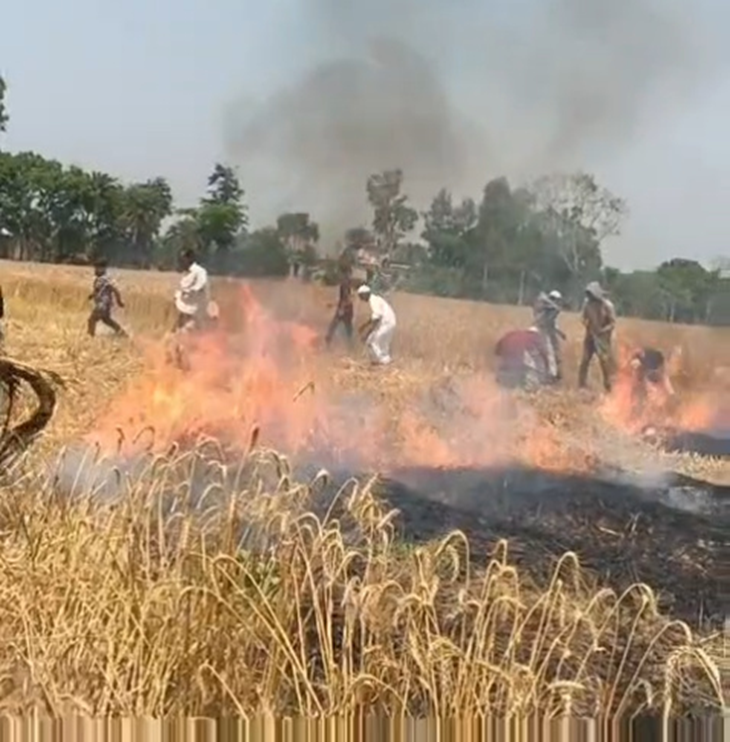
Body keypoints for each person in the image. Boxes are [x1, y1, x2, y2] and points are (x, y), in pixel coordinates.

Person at [578, 281, 616, 392]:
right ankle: (581, 384)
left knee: (604, 362)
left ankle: (608, 385)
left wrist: (602, 331)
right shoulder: (587, 304)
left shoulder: (607, 305)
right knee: (585, 360)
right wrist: (586, 324)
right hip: (590, 336)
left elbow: (612, 323)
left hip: (602, 339)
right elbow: (583, 318)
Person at [629, 346, 676, 419]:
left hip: (653, 374)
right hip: (649, 376)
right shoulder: (640, 360)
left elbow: (663, 371)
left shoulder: (652, 357)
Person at [356, 284, 396, 365]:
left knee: (373, 341)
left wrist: (367, 333)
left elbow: (376, 319)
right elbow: (374, 317)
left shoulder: (373, 301)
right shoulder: (375, 299)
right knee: (382, 344)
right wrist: (364, 326)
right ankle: (382, 360)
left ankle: (383, 361)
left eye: (361, 296)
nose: (361, 299)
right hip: (390, 322)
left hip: (386, 324)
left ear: (365, 294)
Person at [174, 248, 211, 333]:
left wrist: (188, 291)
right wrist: (178, 294)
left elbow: (200, 285)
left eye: (183, 259)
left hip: (195, 308)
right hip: (184, 308)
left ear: (189, 259)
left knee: (188, 331)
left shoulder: (199, 271)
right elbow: (182, 287)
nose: (181, 262)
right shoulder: (185, 273)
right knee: (179, 330)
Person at [87, 259, 127, 337]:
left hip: (102, 304)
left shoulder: (104, 278)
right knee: (106, 320)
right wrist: (92, 295)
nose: (95, 270)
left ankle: (90, 336)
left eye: (97, 268)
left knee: (92, 320)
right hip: (105, 304)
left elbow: (115, 289)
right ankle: (122, 333)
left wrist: (119, 301)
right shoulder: (100, 279)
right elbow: (98, 290)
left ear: (102, 268)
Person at [533, 289, 566, 382]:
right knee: (549, 354)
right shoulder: (546, 309)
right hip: (543, 332)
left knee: (552, 354)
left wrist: (560, 333)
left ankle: (553, 375)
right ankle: (551, 376)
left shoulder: (549, 309)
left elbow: (554, 324)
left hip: (547, 332)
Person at [325, 265, 354, 347]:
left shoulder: (344, 284)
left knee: (333, 326)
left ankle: (328, 344)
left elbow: (346, 297)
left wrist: (341, 308)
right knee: (348, 327)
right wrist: (334, 304)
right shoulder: (348, 282)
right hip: (348, 307)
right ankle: (351, 345)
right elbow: (346, 298)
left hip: (344, 308)